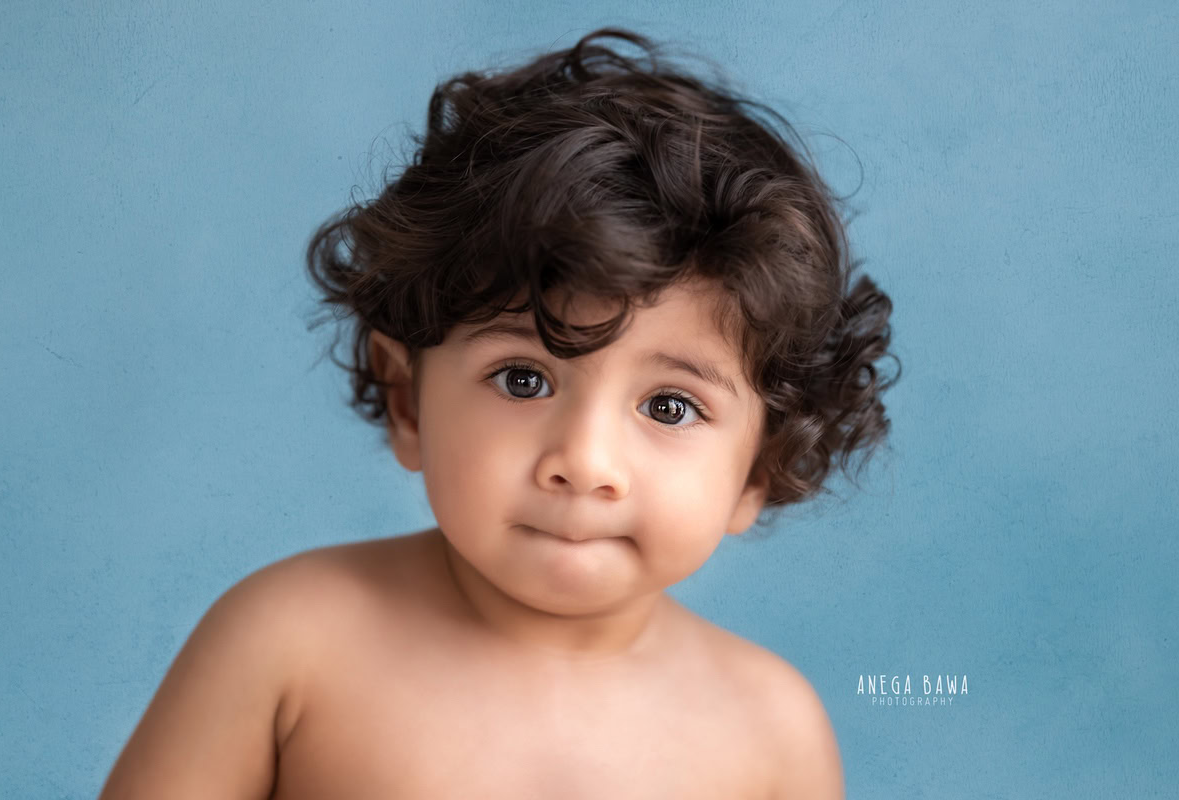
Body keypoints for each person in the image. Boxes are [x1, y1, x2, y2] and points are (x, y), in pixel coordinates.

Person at [100, 26, 898, 799]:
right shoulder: (287, 643)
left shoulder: (770, 731)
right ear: (408, 400)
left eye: (669, 405)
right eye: (523, 380)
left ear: (759, 468)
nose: (583, 462)